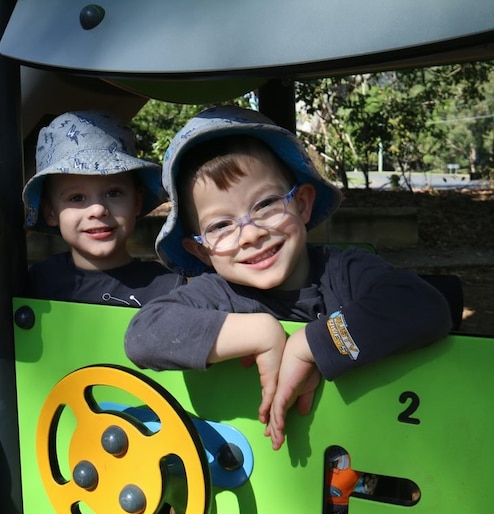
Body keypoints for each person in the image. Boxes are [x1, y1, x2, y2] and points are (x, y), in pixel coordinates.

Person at [124, 105, 453, 450]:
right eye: (220, 226)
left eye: (265, 205)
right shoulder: (217, 295)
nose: (250, 235)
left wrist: (313, 344)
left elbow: (424, 305)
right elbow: (144, 335)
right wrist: (262, 331)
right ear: (201, 252)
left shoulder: (344, 271)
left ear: (303, 205)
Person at [22, 110, 182, 307]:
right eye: (77, 198)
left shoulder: (169, 289)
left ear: (137, 201)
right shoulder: (33, 283)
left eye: (113, 193)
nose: (97, 210)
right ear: (50, 212)